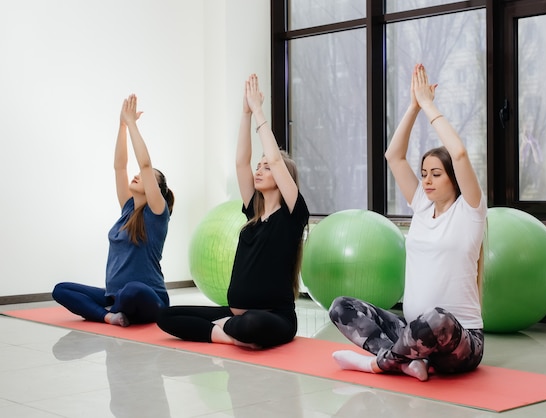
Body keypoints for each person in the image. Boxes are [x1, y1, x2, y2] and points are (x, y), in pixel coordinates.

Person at [328, 63, 487, 381]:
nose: (426, 181)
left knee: (438, 318)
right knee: (341, 307)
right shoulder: (421, 206)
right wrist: (413, 106)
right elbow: (394, 156)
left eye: (436, 174)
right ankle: (408, 361)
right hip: (411, 331)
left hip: (458, 341)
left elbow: (460, 154)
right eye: (424, 173)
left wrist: (429, 105)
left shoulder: (470, 210)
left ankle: (378, 363)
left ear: (454, 179)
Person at [157, 74, 309, 349]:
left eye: (266, 167)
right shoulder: (253, 212)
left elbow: (275, 157)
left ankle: (229, 332)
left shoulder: (292, 215)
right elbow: (241, 162)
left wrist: (260, 110)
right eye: (259, 166)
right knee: (166, 316)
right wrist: (245, 113)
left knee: (252, 324)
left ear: (282, 175)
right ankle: (228, 334)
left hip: (274, 318)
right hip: (232, 313)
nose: (259, 169)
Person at [52, 94, 175, 327]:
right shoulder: (128, 209)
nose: (138, 176)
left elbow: (145, 165)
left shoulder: (157, 214)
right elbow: (120, 166)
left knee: (132, 291)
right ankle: (110, 316)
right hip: (114, 296)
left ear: (154, 188)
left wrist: (132, 124)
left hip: (150, 297)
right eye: (138, 176)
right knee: (61, 290)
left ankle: (107, 311)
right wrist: (121, 126)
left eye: (147, 178)